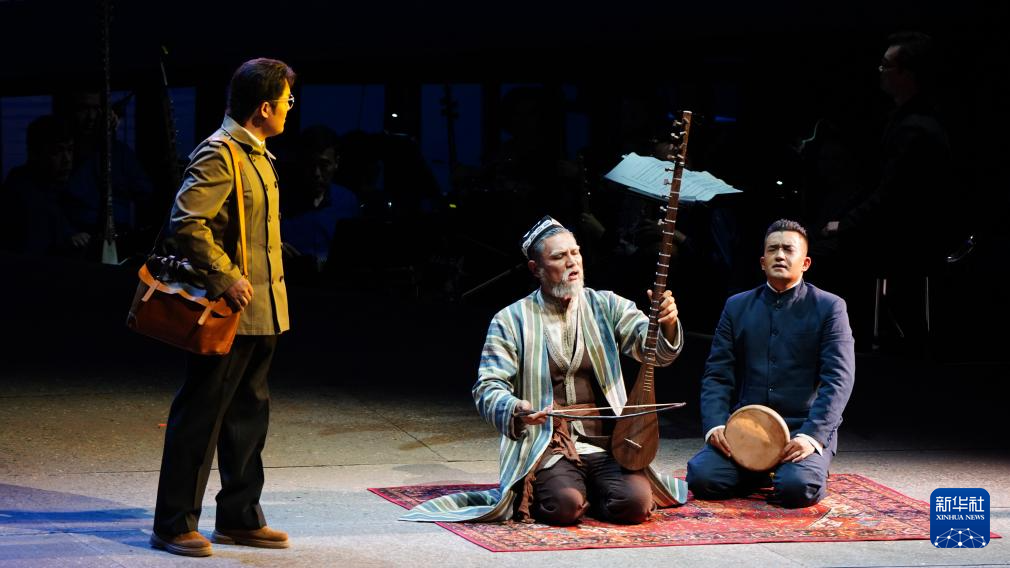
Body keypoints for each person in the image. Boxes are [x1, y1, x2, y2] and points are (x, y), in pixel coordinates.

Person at [402, 215, 687, 525]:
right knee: (564, 507)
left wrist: (667, 324)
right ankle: (573, 490)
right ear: (535, 268)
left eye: (575, 252)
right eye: (559, 256)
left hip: (608, 442)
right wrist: (516, 408)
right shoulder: (511, 320)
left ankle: (590, 488)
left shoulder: (607, 306)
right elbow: (487, 387)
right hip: (548, 443)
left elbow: (654, 354)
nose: (572, 262)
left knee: (636, 505)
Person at [150, 58, 294, 557]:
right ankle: (173, 522)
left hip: (263, 310)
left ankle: (239, 517)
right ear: (264, 108)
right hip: (227, 310)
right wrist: (226, 276)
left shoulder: (259, 154)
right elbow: (187, 223)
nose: (290, 109)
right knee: (201, 415)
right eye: (286, 101)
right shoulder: (219, 153)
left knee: (248, 418)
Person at [686, 219, 855, 508]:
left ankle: (786, 471)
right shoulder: (737, 306)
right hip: (747, 429)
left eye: (788, 249)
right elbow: (717, 374)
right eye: (773, 249)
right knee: (703, 478)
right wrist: (715, 425)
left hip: (801, 428)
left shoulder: (830, 307)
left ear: (805, 263)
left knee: (797, 489)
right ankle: (762, 470)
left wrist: (812, 436)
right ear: (762, 262)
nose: (779, 255)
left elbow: (839, 379)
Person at [818, 32, 952, 350]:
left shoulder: (915, 129)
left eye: (886, 65)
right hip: (901, 231)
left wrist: (844, 224)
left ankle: (846, 343)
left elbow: (891, 199)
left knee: (819, 255)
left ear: (907, 74)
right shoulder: (906, 120)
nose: (880, 71)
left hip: (909, 239)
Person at [2, 115, 89, 256]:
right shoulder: (22, 191)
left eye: (70, 150)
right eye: (56, 152)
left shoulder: (58, 187)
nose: (67, 159)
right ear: (35, 154)